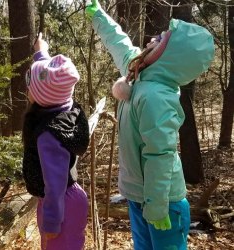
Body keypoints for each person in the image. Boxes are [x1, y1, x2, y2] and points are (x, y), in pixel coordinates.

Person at [85, 1, 214, 250]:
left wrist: (156, 206)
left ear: (170, 55)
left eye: (161, 39)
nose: (152, 39)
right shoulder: (138, 72)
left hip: (163, 203)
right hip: (139, 196)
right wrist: (98, 14)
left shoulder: (157, 96)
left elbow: (159, 155)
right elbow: (118, 42)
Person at [22, 32, 90, 250]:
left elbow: (55, 183)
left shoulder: (48, 135)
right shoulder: (64, 108)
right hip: (69, 200)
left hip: (60, 207)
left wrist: (51, 220)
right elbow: (49, 76)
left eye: (28, 83)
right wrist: (40, 52)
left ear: (41, 97)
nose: (26, 88)